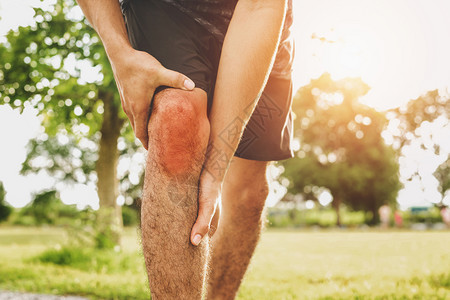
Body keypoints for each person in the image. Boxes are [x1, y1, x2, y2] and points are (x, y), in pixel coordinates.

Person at [76, 0, 294, 298]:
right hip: (162, 6)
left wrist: (215, 168)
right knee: (176, 120)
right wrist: (119, 53)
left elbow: (260, 7)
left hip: (257, 15)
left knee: (248, 194)